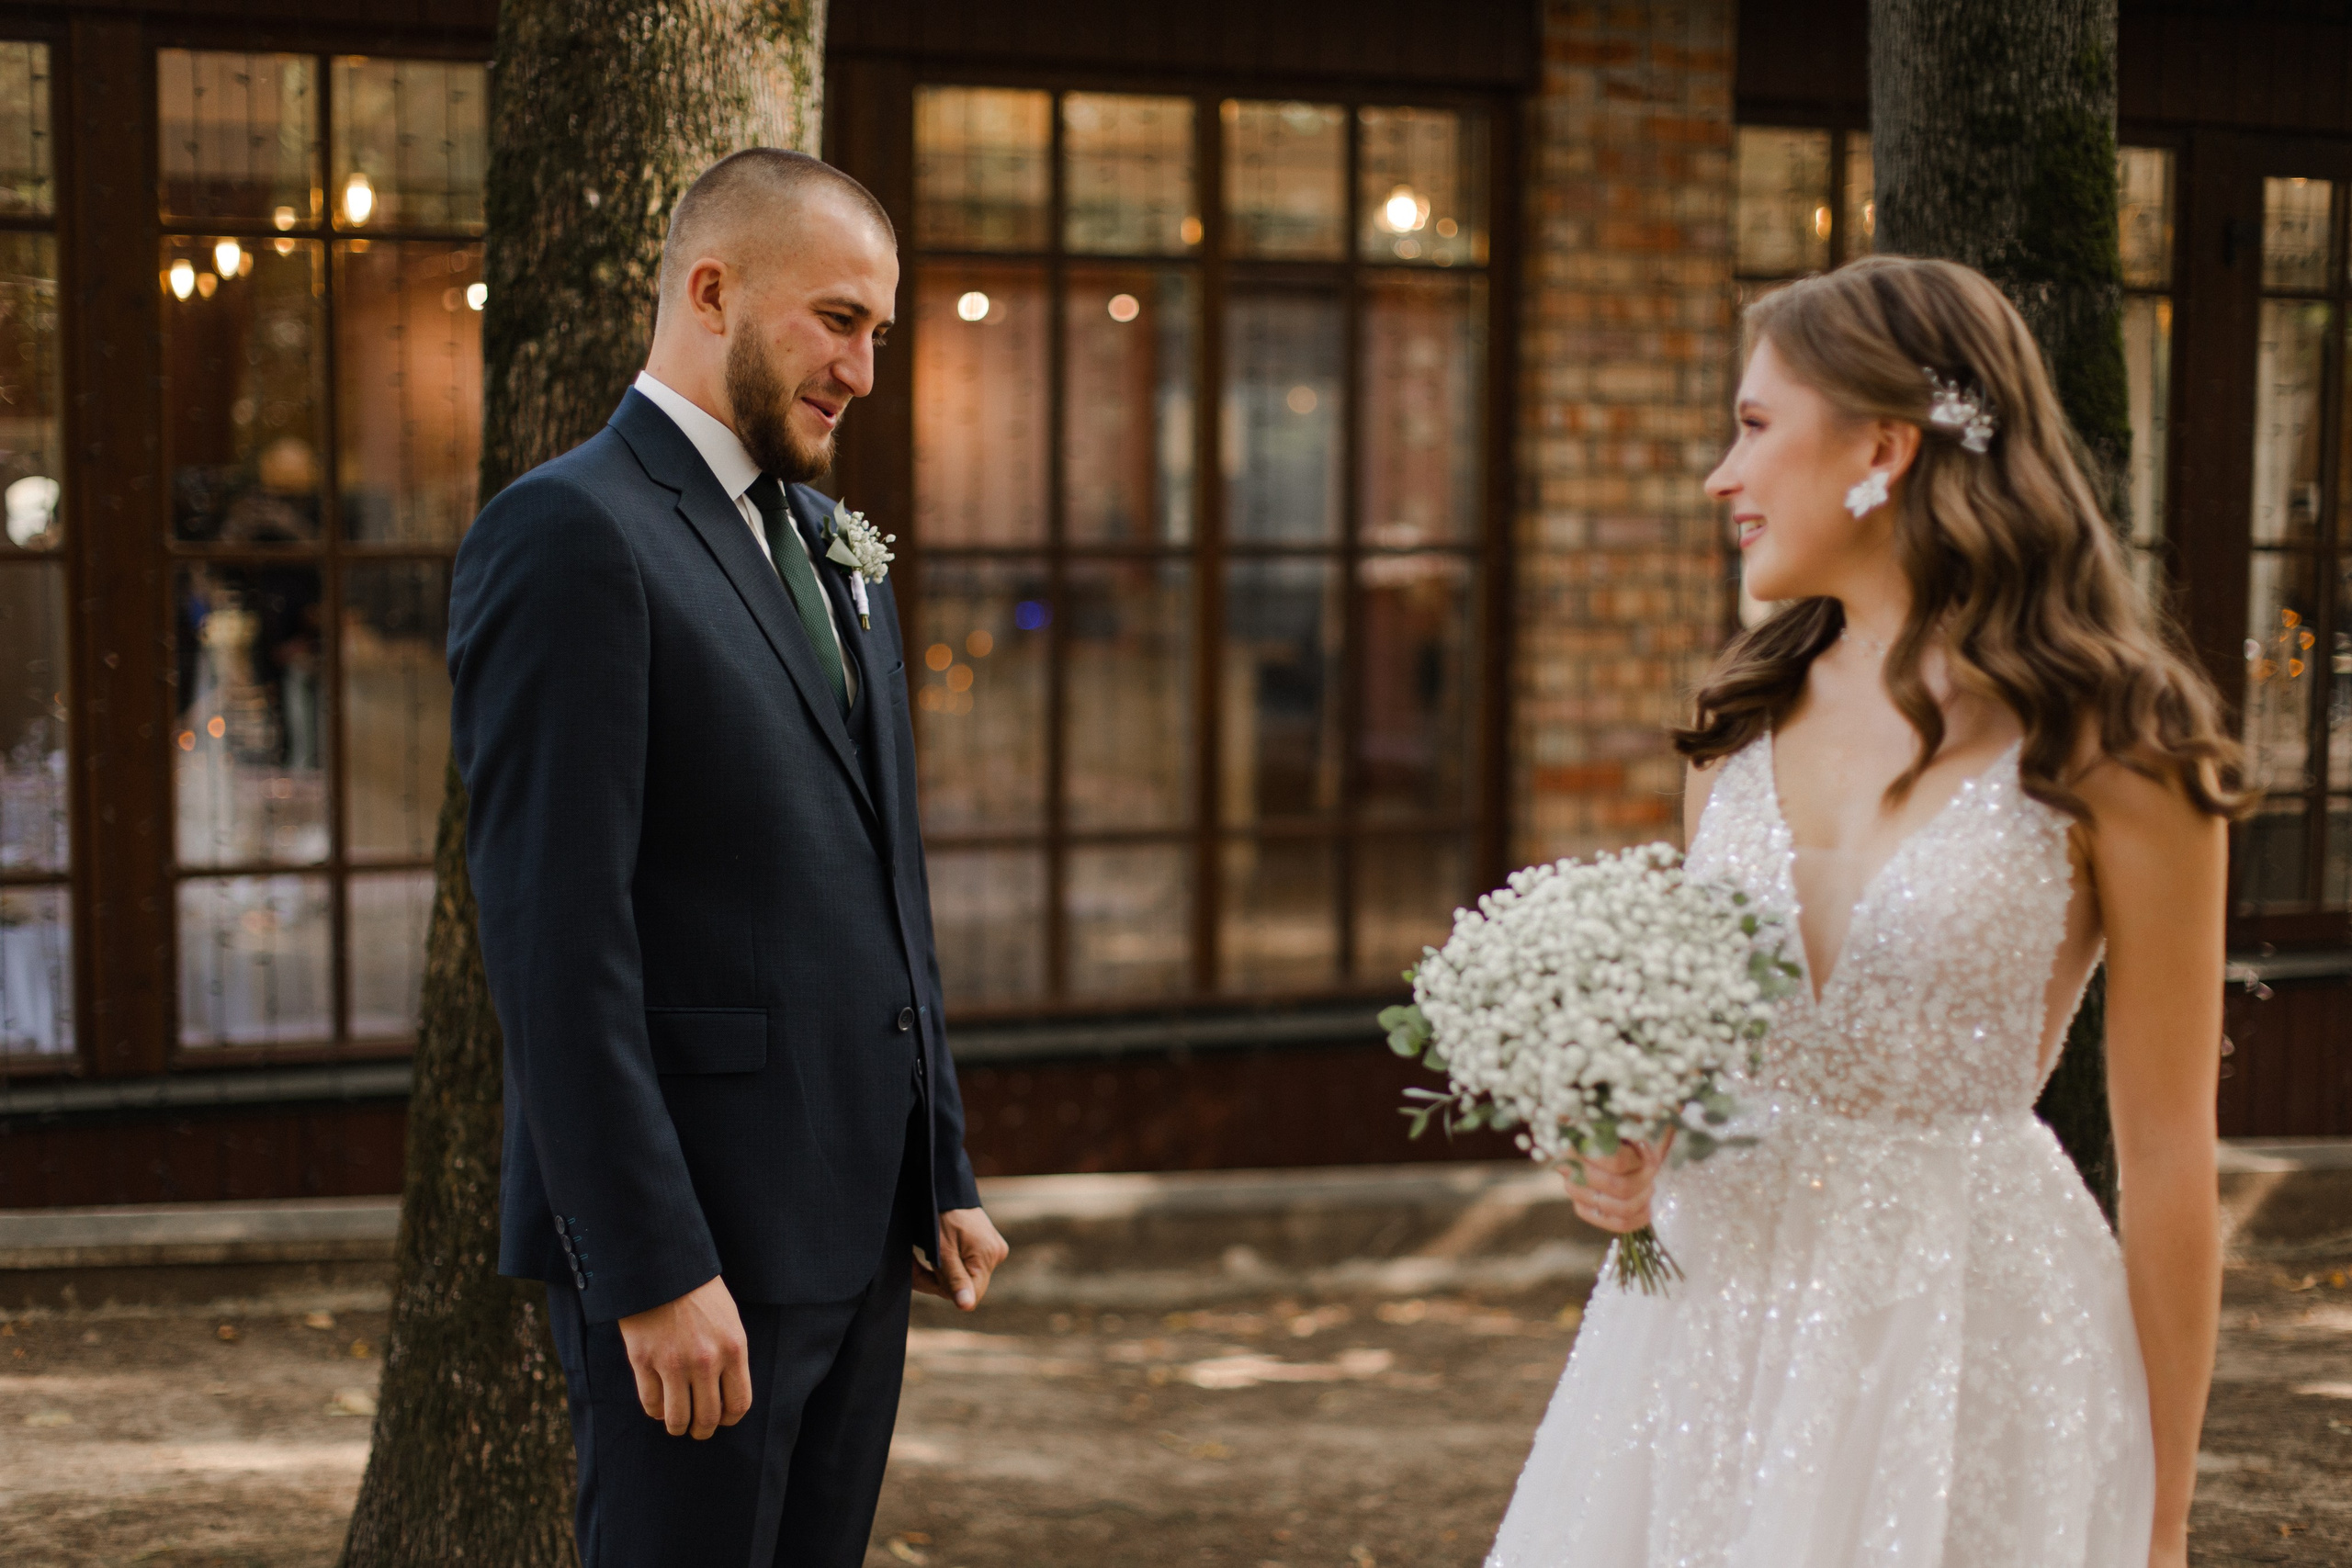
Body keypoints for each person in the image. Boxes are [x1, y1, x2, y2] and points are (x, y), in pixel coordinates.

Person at [1487, 255, 2234, 1568]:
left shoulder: (2123, 747)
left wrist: (2161, 1523)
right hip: (1709, 1335)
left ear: (1883, 449)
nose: (1723, 475)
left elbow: (2171, 1158)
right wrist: (1624, 1153)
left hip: (1971, 1332)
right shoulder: (1734, 735)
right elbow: (1711, 1072)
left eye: (1755, 426)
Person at [449, 149, 1009, 1567]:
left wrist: (936, 1162)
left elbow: (893, 880)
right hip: (696, 1255)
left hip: (858, 1233)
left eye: (879, 331)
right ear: (711, 291)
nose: (864, 370)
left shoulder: (834, 545)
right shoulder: (571, 533)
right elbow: (552, 941)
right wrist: (650, 1271)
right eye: (837, 321)